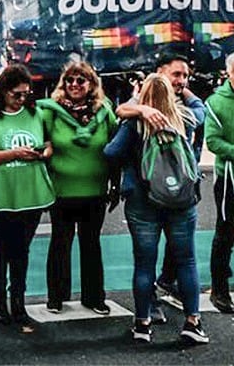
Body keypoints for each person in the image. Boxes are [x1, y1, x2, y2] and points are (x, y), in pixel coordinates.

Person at [106, 73, 208, 345]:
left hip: (143, 202)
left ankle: (142, 323)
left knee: (144, 264)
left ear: (144, 95)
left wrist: (136, 102)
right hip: (182, 201)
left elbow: (111, 152)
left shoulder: (134, 123)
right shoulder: (186, 118)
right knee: (186, 261)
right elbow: (201, 107)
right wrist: (185, 90)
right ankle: (192, 322)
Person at [0, 63, 54, 334]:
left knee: (22, 249)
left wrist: (43, 152)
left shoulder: (36, 113)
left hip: (31, 190)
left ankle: (18, 300)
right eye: (16, 94)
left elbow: (50, 144)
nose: (22, 99)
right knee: (1, 248)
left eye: (26, 94)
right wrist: (15, 154)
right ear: (3, 91)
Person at [37, 61, 116, 316]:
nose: (74, 85)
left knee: (91, 244)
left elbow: (116, 146)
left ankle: (94, 297)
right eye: (69, 80)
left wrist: (117, 183)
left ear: (91, 84)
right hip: (61, 190)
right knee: (60, 243)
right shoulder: (49, 111)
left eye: (81, 80)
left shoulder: (105, 111)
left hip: (95, 190)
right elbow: (37, 136)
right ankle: (56, 297)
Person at [205, 52, 234, 313]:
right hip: (229, 180)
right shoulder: (216, 102)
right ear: (229, 73)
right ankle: (219, 290)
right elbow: (213, 141)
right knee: (225, 233)